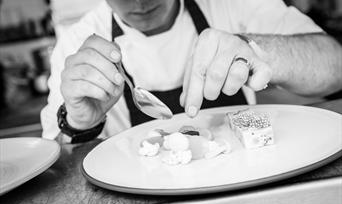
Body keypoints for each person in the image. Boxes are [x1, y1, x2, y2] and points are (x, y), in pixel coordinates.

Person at [41, 0, 342, 143]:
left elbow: (335, 66)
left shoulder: (230, 5)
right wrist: (80, 122)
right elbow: (56, 165)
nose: (141, 2)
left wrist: (253, 48)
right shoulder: (77, 41)